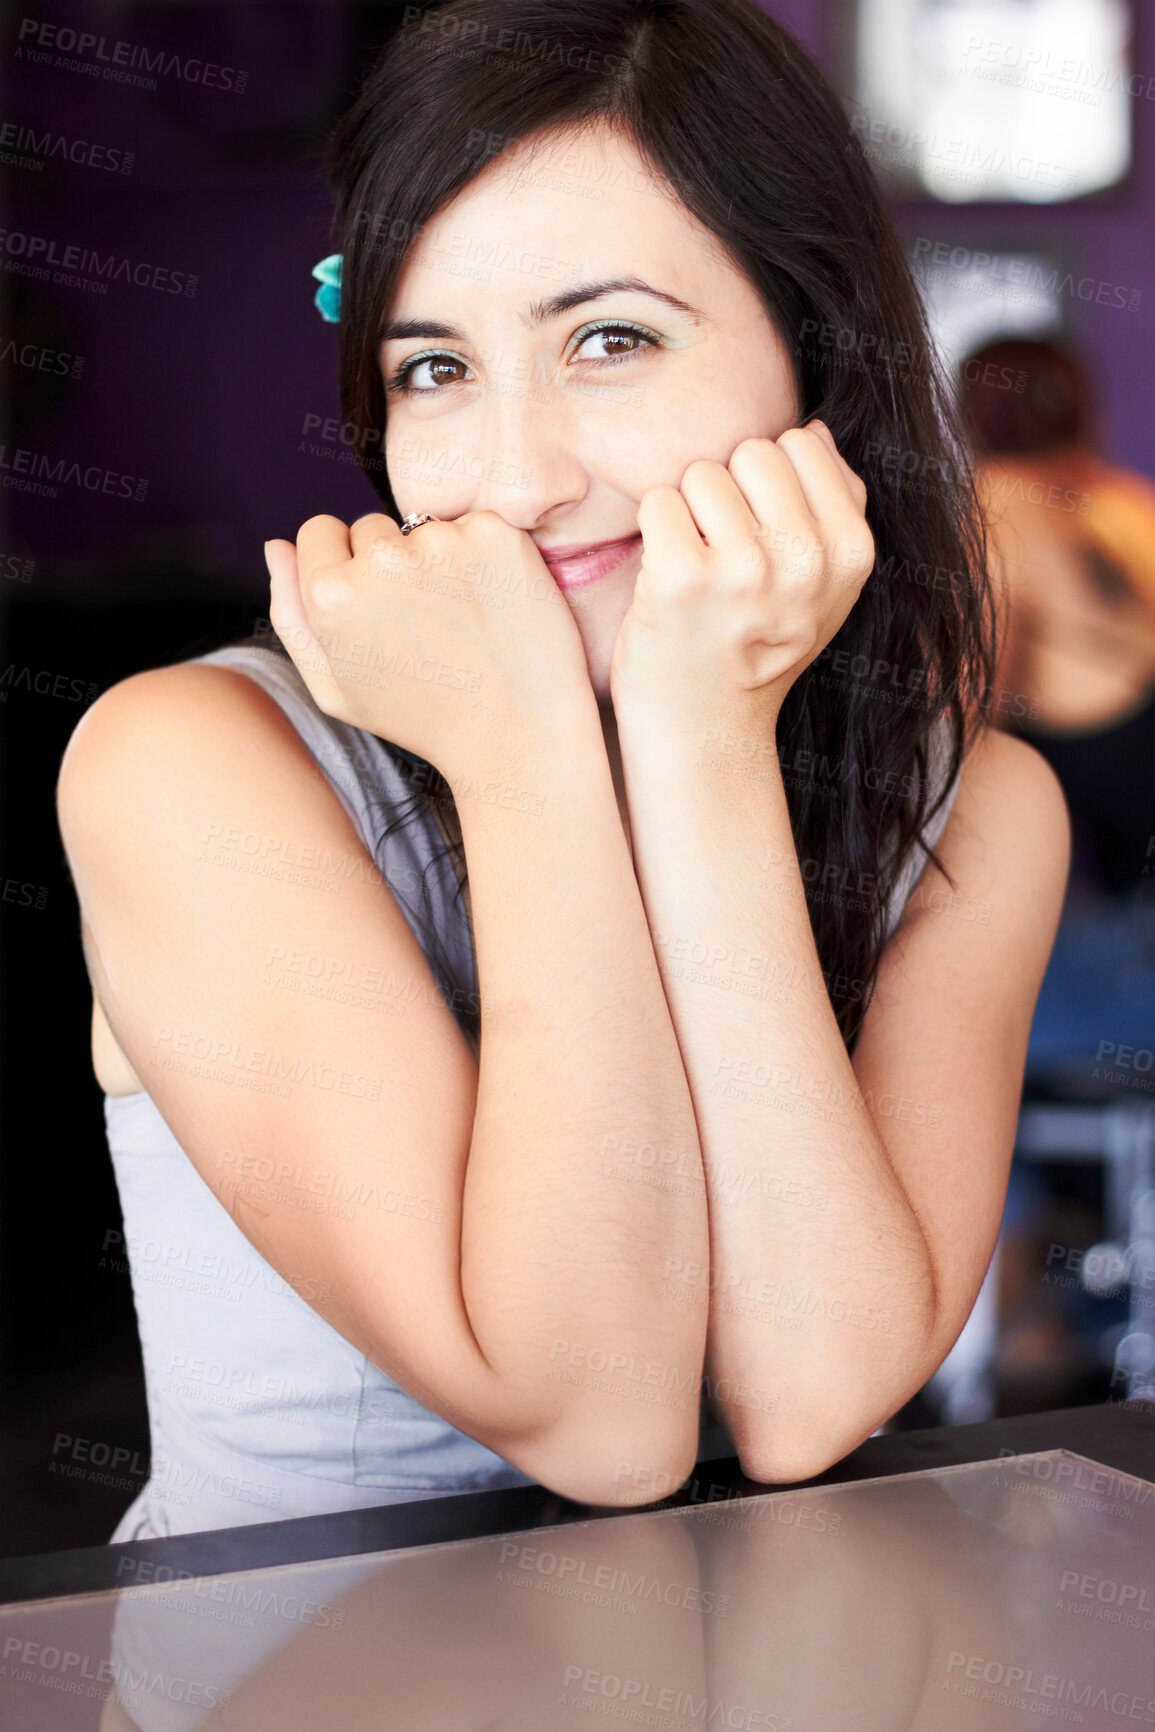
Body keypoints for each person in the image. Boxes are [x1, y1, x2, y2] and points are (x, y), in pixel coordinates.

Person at [56, 0, 1068, 1550]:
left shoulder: (975, 808)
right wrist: (524, 757)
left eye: (610, 341)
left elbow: (811, 1400)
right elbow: (596, 1419)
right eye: (436, 370)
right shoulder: (189, 767)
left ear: (813, 352)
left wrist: (702, 739)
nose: (517, 479)